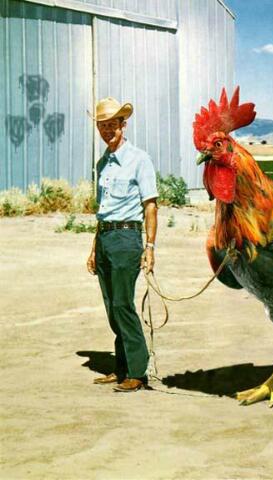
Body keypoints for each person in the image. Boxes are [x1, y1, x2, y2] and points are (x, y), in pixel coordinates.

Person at [86, 97, 158, 392]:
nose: (107, 131)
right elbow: (102, 211)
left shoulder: (139, 159)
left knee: (122, 304)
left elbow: (150, 206)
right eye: (102, 126)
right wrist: (94, 249)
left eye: (112, 125)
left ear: (123, 125)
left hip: (127, 238)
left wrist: (150, 247)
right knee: (111, 306)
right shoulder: (102, 163)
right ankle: (121, 368)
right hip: (105, 238)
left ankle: (138, 372)